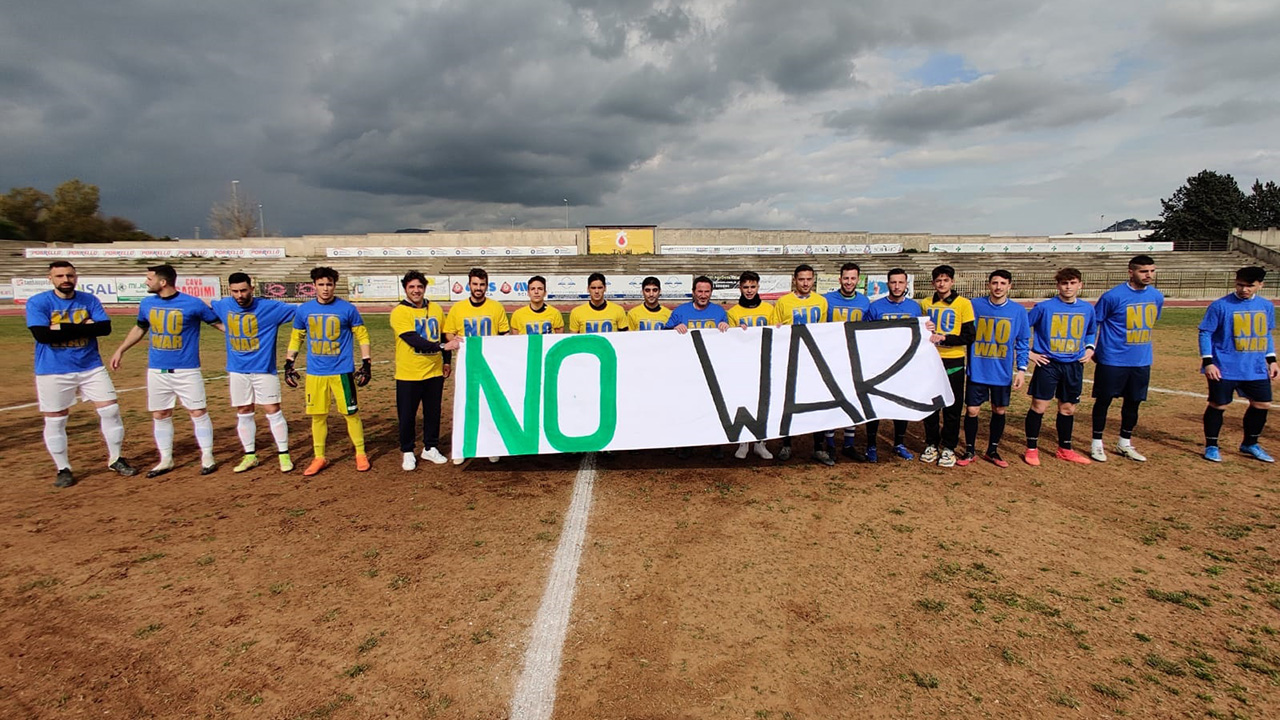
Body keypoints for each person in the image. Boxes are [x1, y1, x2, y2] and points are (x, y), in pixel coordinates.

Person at [27, 261, 136, 487]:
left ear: (76, 277)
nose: (65, 280)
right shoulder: (38, 302)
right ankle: (63, 468)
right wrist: (86, 326)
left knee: (110, 410)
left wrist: (59, 327)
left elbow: (104, 328)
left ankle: (115, 458)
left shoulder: (89, 300)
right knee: (56, 419)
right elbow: (42, 336)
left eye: (70, 275)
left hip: (90, 366)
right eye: (59, 276)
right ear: (50, 278)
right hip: (52, 370)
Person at [110, 264, 222, 478]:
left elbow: (218, 324)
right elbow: (140, 328)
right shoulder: (147, 303)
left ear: (162, 282)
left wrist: (244, 336)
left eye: (149, 279)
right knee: (160, 414)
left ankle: (207, 456)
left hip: (187, 370)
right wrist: (120, 350)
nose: (146, 282)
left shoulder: (193, 303)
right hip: (156, 370)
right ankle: (166, 459)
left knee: (197, 412)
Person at [284, 267, 373, 476]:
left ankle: (360, 453)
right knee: (318, 416)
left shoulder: (347, 309)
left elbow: (362, 335)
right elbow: (297, 337)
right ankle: (319, 457)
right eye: (321, 284)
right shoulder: (304, 310)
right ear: (314, 285)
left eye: (329, 284)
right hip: (315, 373)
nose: (325, 289)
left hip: (342, 371)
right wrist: (289, 362)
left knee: (351, 413)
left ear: (334, 285)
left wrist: (366, 362)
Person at [212, 272, 297, 473]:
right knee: (243, 411)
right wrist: (225, 328)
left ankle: (284, 455)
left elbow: (301, 311)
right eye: (235, 291)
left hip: (263, 369)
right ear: (229, 290)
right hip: (237, 370)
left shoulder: (270, 307)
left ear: (251, 288)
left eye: (243, 290)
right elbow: (204, 311)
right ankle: (250, 455)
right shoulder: (223, 305)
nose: (239, 295)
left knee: (272, 410)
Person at [1198, 266, 1278, 463]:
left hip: (1255, 366)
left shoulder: (1266, 306)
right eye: (1240, 285)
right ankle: (1211, 446)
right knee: (1219, 405)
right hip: (1224, 366)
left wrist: (1272, 360)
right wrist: (1208, 362)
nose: (1244, 289)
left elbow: (1266, 333)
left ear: (1260, 285)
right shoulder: (1220, 306)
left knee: (1262, 404)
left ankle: (1250, 443)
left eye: (1250, 286)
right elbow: (1205, 333)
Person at [1089, 255, 1163, 462]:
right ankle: (1097, 444)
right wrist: (1092, 349)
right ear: (1131, 272)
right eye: (1143, 271)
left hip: (1141, 360)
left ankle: (1124, 443)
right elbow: (1094, 323)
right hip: (1112, 359)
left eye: (1152, 271)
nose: (1148, 275)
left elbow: (1153, 320)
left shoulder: (1157, 296)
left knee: (1133, 403)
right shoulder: (1112, 296)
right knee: (1104, 401)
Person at [1024, 268, 1097, 466]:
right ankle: (1031, 448)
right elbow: (1022, 328)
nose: (1068, 287)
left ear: (1080, 285)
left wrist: (1090, 348)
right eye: (1064, 283)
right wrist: (1029, 353)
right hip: (1048, 364)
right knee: (1039, 406)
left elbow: (1091, 331)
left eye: (1072, 283)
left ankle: (1065, 449)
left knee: (1068, 409)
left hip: (1074, 365)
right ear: (1058, 286)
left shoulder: (1087, 309)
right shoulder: (1044, 307)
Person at [392, 271, 461, 471]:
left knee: (433, 413)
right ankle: (407, 450)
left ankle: (430, 447)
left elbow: (442, 336)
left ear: (425, 288)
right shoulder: (399, 312)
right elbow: (413, 340)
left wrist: (446, 361)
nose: (416, 291)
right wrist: (442, 347)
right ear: (405, 289)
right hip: (408, 373)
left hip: (433, 372)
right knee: (407, 415)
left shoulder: (436, 309)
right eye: (412, 287)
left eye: (419, 287)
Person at [961, 270, 1030, 468]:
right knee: (972, 410)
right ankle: (970, 449)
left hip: (1002, 372)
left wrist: (1022, 370)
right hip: (978, 369)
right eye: (994, 283)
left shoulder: (1018, 311)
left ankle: (992, 449)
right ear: (988, 285)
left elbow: (1023, 341)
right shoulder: (974, 305)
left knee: (999, 410)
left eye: (1002, 283)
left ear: (1010, 286)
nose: (998, 287)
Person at [443, 267, 509, 464]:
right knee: (465, 404)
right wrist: (454, 340)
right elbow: (448, 333)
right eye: (475, 284)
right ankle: (463, 447)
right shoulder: (458, 309)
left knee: (490, 405)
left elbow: (504, 334)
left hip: (490, 365)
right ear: (469, 285)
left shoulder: (496, 308)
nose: (478, 288)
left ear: (487, 286)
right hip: (467, 365)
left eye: (482, 284)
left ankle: (491, 446)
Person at [865, 268, 928, 463]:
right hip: (881, 365)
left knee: (901, 404)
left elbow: (920, 334)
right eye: (893, 282)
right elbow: (865, 334)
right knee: (875, 405)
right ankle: (871, 445)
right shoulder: (875, 307)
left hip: (904, 365)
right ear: (888, 284)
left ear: (906, 284)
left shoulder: (914, 307)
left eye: (901, 282)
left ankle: (899, 443)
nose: (897, 286)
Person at [771, 264, 831, 465]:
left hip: (814, 360)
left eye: (809, 279)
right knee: (788, 401)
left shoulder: (821, 302)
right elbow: (775, 329)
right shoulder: (783, 302)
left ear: (813, 280)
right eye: (801, 279)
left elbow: (824, 330)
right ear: (794, 280)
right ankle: (786, 444)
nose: (805, 283)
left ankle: (818, 447)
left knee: (818, 402)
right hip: (790, 358)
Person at [920, 265, 976, 468]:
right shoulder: (926, 303)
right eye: (938, 280)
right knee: (931, 405)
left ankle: (949, 447)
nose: (942, 284)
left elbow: (969, 336)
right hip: (931, 360)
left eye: (945, 280)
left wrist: (945, 338)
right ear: (933, 283)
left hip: (953, 360)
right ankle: (931, 443)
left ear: (952, 281)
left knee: (952, 406)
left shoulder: (963, 304)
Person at [822, 262, 872, 461]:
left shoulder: (865, 302)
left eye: (852, 278)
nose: (849, 282)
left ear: (858, 280)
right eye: (846, 278)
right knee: (832, 400)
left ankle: (849, 444)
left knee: (853, 398)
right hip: (830, 357)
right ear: (839, 279)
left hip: (853, 358)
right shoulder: (826, 300)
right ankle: (830, 444)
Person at [728, 271, 775, 460]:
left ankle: (760, 443)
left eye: (752, 287)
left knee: (763, 402)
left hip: (764, 360)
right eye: (746, 287)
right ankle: (743, 442)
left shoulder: (769, 310)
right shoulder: (733, 313)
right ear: (740, 288)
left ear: (758, 287)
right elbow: (730, 339)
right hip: (743, 362)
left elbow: (776, 333)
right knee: (743, 400)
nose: (749, 291)